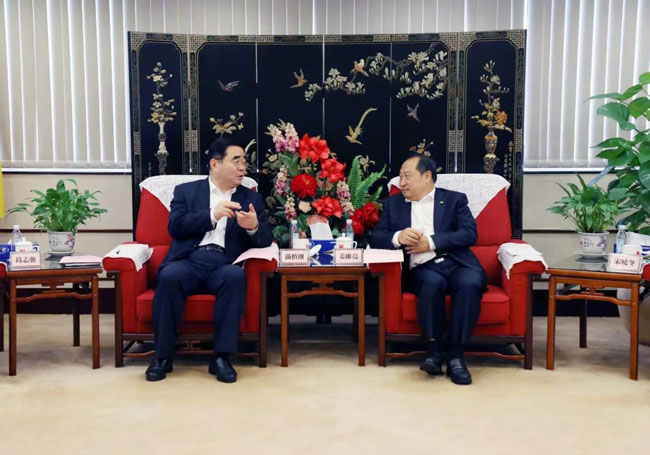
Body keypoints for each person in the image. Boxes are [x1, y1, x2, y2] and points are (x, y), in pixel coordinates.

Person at [145, 137, 272, 383]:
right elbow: (175, 227)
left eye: (244, 162)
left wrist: (253, 227)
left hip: (224, 263)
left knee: (235, 277)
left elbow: (266, 239)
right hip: (189, 260)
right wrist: (212, 215)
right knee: (169, 276)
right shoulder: (187, 192)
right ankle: (162, 356)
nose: (242, 167)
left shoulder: (250, 198)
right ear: (215, 164)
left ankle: (222, 357)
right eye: (236, 161)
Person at [370, 154, 486, 385]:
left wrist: (431, 242)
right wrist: (398, 236)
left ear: (427, 176)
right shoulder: (393, 204)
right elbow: (376, 237)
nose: (401, 182)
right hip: (423, 267)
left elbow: (469, 234)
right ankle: (433, 351)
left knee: (470, 283)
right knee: (432, 283)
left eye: (407, 176)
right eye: (400, 177)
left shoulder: (454, 200)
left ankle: (456, 356)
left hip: (458, 263)